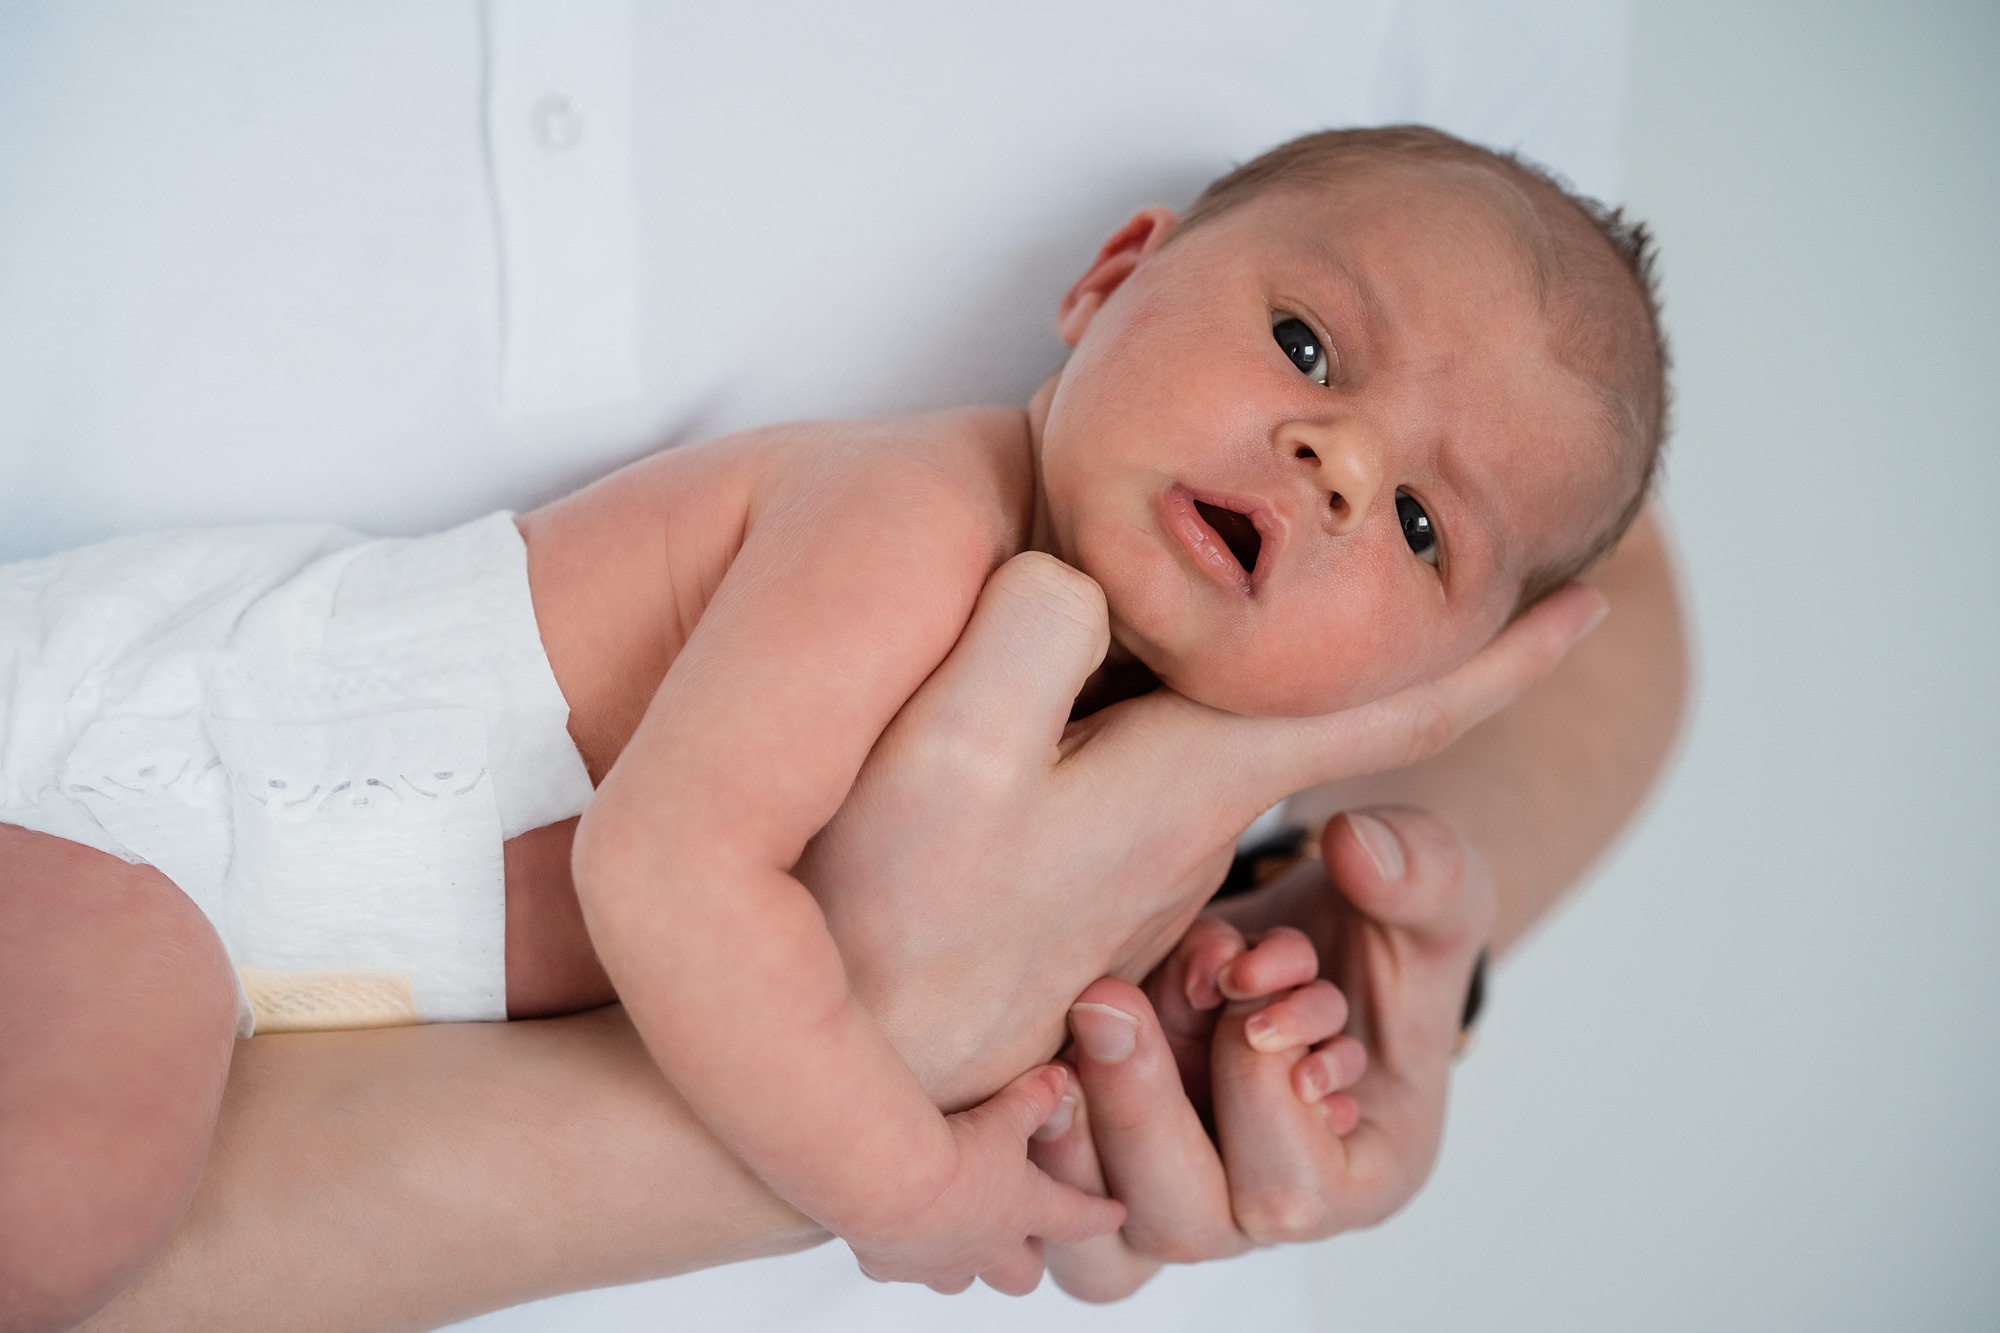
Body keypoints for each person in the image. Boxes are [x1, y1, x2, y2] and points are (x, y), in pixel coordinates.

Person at [0, 3, 1685, 1329]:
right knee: (58, 1210)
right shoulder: (915, 521)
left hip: (248, 973)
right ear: (1111, 279)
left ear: (1438, 675)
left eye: (1419, 525)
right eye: (1306, 342)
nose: (1339, 459)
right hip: (163, 800)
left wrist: (1218, 1019)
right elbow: (665, 870)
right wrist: (906, 1179)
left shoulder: (1138, 781)